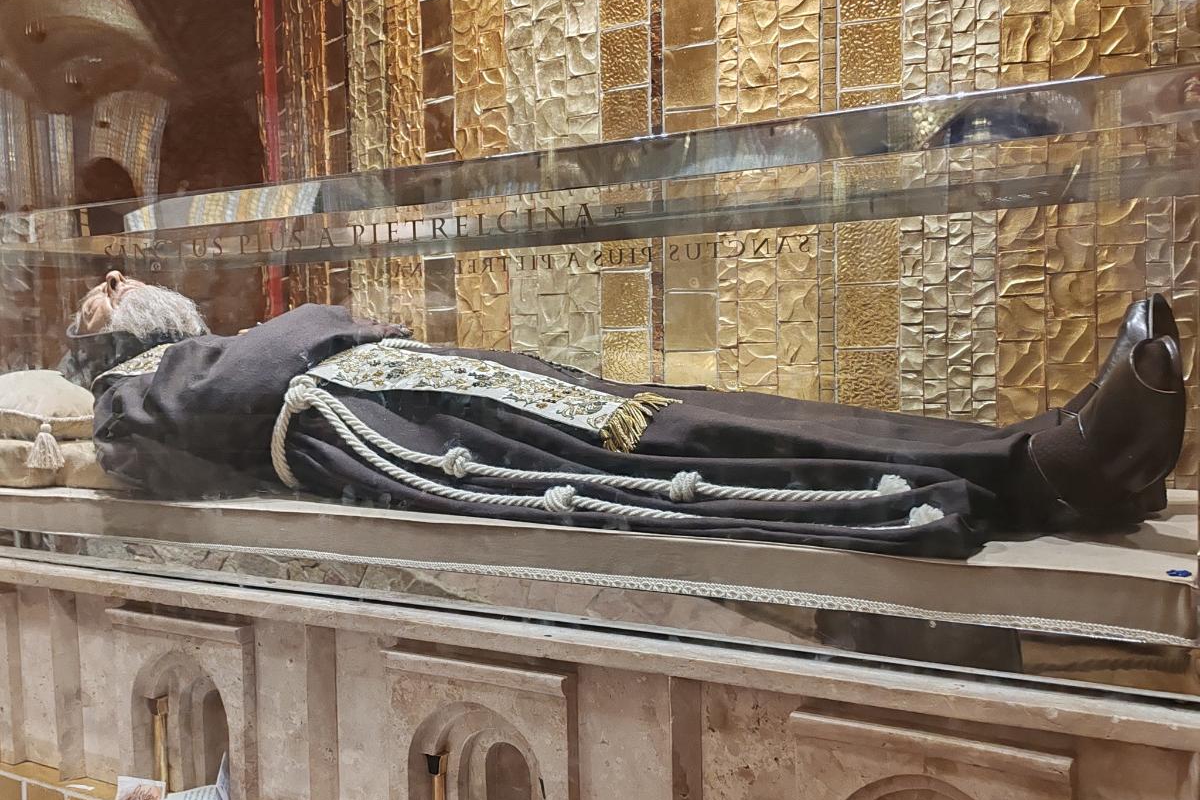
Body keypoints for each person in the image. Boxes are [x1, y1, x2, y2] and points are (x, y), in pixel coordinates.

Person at [69, 270, 1186, 560]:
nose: (108, 279)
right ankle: (1050, 472)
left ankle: (1040, 455)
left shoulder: (214, 359)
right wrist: (314, 332)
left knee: (705, 415)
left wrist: (314, 335)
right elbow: (238, 387)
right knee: (697, 459)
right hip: (417, 436)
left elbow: (285, 350)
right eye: (96, 299)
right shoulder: (140, 394)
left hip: (440, 393)